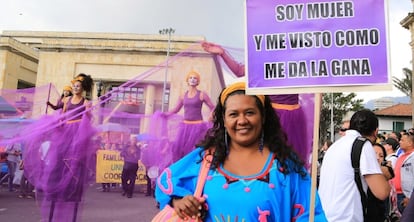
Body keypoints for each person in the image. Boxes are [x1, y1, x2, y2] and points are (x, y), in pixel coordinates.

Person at [155, 82, 327, 221]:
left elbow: (312, 215)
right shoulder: (205, 158)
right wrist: (179, 200)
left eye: (250, 112)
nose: (242, 120)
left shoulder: (287, 167)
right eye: (233, 114)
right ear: (224, 120)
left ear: (264, 117)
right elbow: (167, 182)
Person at [201, 41, 311, 165]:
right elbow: (239, 70)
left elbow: (320, 74)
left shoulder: (299, 64)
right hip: (274, 114)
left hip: (293, 115)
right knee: (267, 154)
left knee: (291, 158)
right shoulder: (264, 65)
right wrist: (223, 54)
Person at [23, 73, 96, 222]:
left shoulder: (86, 101)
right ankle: (55, 188)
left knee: (74, 160)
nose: (75, 88)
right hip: (65, 131)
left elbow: (88, 119)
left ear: (83, 88)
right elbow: (62, 115)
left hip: (77, 132)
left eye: (78, 86)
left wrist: (88, 111)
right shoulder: (66, 100)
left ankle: (71, 189)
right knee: (58, 157)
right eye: (74, 85)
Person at [319, 109, 392, 222]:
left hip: (325, 216)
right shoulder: (363, 145)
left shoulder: (335, 146)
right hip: (346, 218)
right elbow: (382, 192)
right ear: (375, 131)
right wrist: (386, 172)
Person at [164, 70, 215, 162]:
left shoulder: (202, 94)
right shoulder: (183, 95)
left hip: (197, 126)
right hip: (185, 127)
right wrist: (165, 115)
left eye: (195, 78)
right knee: (179, 149)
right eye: (190, 78)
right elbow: (176, 109)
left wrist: (211, 117)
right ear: (187, 80)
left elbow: (213, 107)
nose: (192, 79)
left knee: (196, 149)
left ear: (198, 81)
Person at [393, 133, 414, 214]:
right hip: (397, 194)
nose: (399, 142)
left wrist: (410, 198)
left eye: (402, 140)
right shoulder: (401, 156)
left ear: (410, 143)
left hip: (407, 196)